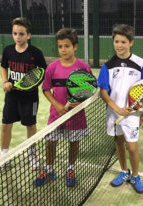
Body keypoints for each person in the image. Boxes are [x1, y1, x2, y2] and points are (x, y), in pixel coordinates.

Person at [98, 24, 143, 193]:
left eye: (123, 41)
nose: (119, 45)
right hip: (114, 113)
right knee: (119, 143)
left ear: (131, 43)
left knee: (132, 147)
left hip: (132, 115)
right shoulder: (107, 66)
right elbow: (104, 93)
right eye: (116, 41)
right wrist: (117, 109)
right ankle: (123, 171)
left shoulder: (141, 64)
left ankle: (135, 175)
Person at [33, 28, 91, 187]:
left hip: (76, 115)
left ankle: (71, 168)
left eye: (67, 46)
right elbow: (45, 89)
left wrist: (80, 103)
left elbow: (89, 91)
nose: (63, 50)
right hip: (56, 114)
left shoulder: (83, 67)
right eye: (60, 46)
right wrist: (57, 105)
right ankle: (49, 169)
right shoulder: (52, 68)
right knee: (50, 141)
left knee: (74, 142)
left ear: (75, 47)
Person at [0, 17, 47, 170]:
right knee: (6, 125)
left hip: (30, 97)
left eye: (21, 34)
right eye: (15, 34)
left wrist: (31, 86)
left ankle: (32, 155)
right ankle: (3, 157)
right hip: (12, 96)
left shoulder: (36, 53)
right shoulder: (8, 50)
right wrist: (5, 81)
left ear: (28, 35)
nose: (18, 37)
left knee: (31, 125)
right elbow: (3, 66)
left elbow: (42, 72)